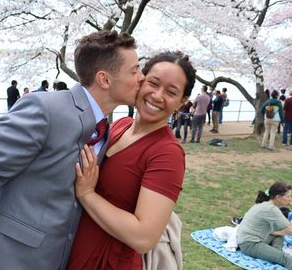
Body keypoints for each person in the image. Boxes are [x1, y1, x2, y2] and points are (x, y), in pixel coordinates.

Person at [0, 30, 143, 270]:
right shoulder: (43, 108)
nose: (142, 78)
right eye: (135, 71)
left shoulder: (106, 128)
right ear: (105, 79)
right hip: (6, 257)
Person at [68, 50, 196, 269]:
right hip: (76, 249)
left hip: (108, 261)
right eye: (153, 83)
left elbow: (144, 238)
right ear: (140, 80)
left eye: (171, 92)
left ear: (182, 102)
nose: (157, 95)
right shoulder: (120, 125)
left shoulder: (167, 153)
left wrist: (87, 194)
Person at [237, 182, 292, 270]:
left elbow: (278, 230)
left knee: (280, 235)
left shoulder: (266, 203)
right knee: (286, 258)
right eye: (288, 196)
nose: (290, 199)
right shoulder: (271, 209)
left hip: (248, 238)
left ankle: (275, 254)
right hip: (250, 244)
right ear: (278, 197)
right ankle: (278, 256)